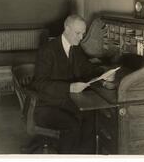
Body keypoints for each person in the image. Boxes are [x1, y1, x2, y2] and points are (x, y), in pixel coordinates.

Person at [31, 14, 106, 154]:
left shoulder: (76, 48)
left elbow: (87, 68)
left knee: (91, 117)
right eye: (78, 33)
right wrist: (69, 87)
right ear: (67, 29)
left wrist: (104, 74)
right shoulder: (47, 50)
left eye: (83, 33)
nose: (81, 37)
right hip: (48, 106)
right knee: (72, 125)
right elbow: (39, 84)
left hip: (69, 102)